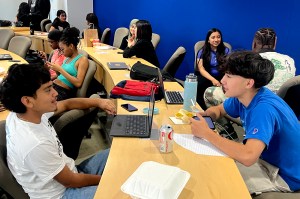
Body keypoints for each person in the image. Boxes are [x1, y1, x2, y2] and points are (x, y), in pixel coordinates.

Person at [0, 63, 116, 199]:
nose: (55, 93)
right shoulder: (34, 143)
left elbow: (67, 104)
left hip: (71, 173)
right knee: (120, 190)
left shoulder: (27, 113)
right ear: (27, 101)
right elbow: (71, 181)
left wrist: (98, 102)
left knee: (121, 153)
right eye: (48, 90)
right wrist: (107, 180)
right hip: (62, 193)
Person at [190, 51, 300, 194]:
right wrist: (208, 115)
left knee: (217, 184)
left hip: (283, 175)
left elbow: (248, 156)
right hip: (265, 160)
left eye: (229, 76)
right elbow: (219, 109)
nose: (223, 80)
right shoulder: (245, 95)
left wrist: (207, 134)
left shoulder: (263, 109)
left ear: (248, 83)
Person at [204, 28, 296, 123]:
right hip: (283, 107)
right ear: (275, 42)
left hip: (259, 106)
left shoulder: (252, 62)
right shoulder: (289, 60)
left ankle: (228, 131)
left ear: (254, 44)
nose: (223, 80)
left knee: (209, 93)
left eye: (228, 76)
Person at [46, 27, 88, 101]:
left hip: (63, 91)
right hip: (53, 86)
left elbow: (78, 83)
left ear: (71, 46)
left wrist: (60, 69)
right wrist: (56, 70)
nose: (61, 52)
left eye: (63, 49)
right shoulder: (67, 58)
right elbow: (60, 75)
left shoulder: (82, 60)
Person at [195, 28, 230, 110]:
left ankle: (221, 111)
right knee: (199, 86)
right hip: (206, 76)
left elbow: (228, 67)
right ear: (208, 40)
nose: (216, 39)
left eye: (218, 37)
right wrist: (213, 80)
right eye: (213, 37)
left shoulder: (226, 50)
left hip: (221, 75)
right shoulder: (202, 51)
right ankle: (203, 110)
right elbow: (201, 69)